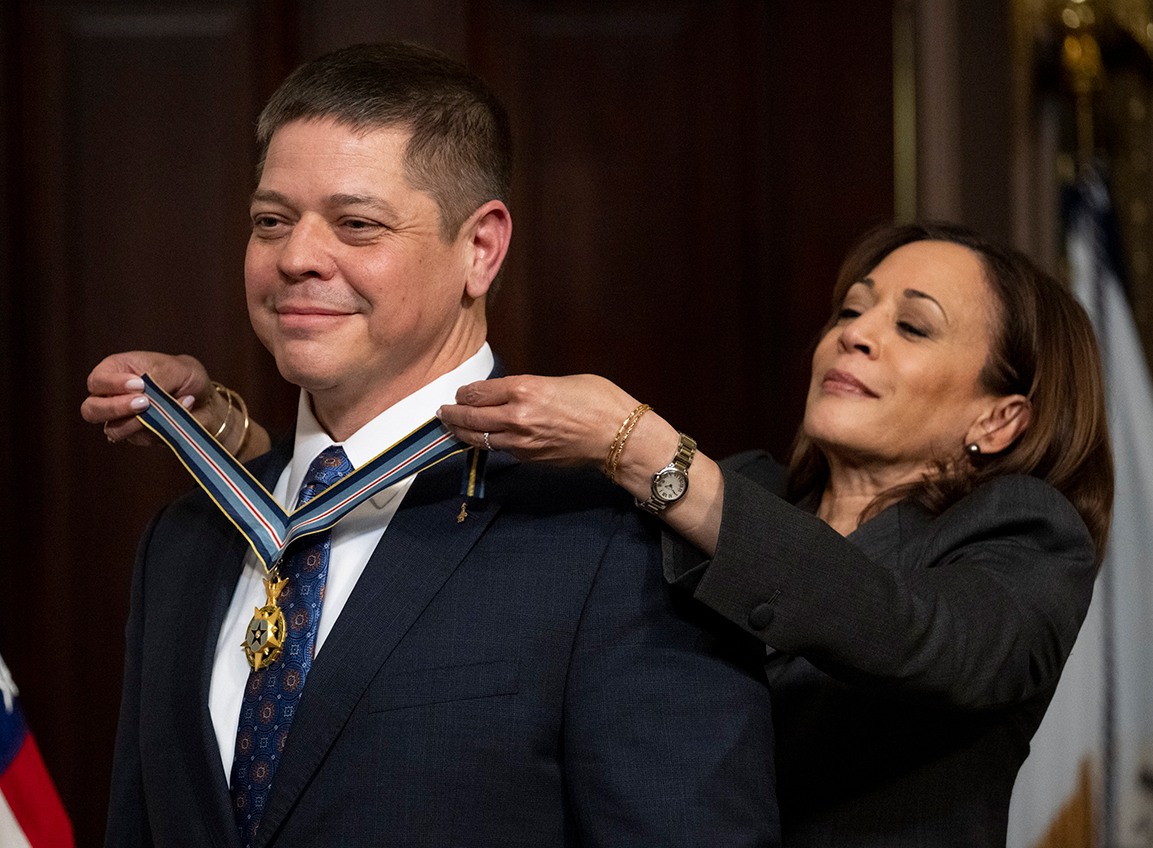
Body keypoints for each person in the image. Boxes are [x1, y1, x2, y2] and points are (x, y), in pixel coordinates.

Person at [89, 220, 1113, 846]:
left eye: (912, 324)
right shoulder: (744, 498)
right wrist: (231, 440)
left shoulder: (1025, 534)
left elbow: (910, 631)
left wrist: (639, 446)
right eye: (851, 307)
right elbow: (443, 551)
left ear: (998, 417)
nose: (854, 331)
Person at [89, 43, 778, 848]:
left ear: (479, 250)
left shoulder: (617, 546)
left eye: (357, 224)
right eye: (271, 220)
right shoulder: (190, 537)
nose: (298, 257)